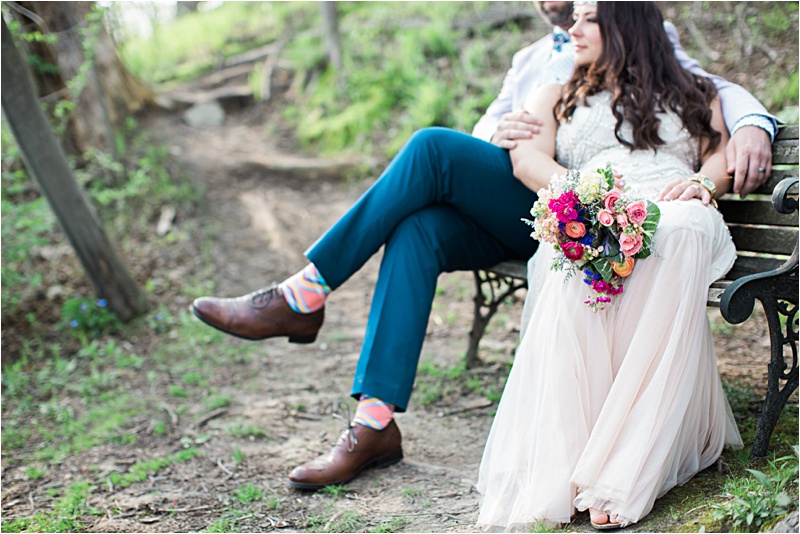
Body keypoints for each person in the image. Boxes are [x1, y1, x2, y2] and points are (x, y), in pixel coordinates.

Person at [190, 2, 772, 490]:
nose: (568, 14)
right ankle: (373, 425)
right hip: (531, 196)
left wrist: (752, 124)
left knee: (429, 150)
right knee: (419, 226)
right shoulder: (530, 63)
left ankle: (306, 293)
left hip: (577, 208)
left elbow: (711, 91)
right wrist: (503, 132)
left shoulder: (637, 30)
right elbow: (484, 133)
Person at [476, 2, 743, 530]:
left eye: (587, 18)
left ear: (625, 22)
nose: (571, 29)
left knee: (680, 230)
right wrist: (587, 201)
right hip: (593, 199)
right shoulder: (558, 85)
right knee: (581, 250)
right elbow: (528, 159)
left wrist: (704, 184)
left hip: (675, 199)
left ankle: (627, 468)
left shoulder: (694, 89)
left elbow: (719, 152)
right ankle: (579, 454)